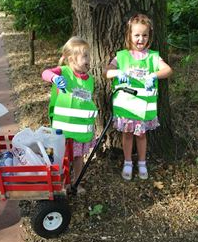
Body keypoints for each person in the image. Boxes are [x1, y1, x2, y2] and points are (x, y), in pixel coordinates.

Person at [105, 13, 173, 181]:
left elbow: (168, 70)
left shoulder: (153, 56)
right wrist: (118, 72)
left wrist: (154, 75)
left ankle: (142, 163)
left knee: (141, 135)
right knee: (127, 134)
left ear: (149, 36)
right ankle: (127, 162)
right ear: (129, 35)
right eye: (136, 35)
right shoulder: (121, 56)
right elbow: (107, 72)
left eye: (144, 35)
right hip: (126, 106)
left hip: (143, 107)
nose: (140, 39)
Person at [42, 36, 98, 193]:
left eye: (88, 55)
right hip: (62, 130)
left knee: (79, 158)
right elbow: (45, 73)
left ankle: (76, 183)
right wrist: (55, 78)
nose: (88, 59)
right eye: (84, 55)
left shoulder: (89, 79)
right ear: (71, 59)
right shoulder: (64, 72)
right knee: (58, 157)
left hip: (80, 130)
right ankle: (58, 183)